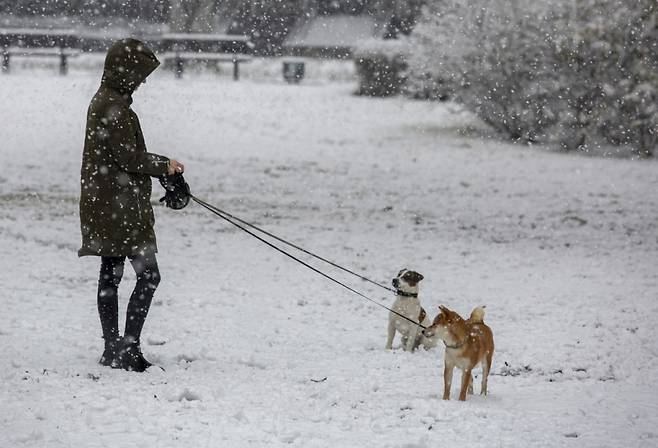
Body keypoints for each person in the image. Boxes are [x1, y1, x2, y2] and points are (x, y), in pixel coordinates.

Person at [78, 38, 185, 372]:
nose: (141, 81)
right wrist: (165, 165)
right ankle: (128, 348)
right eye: (139, 74)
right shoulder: (115, 108)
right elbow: (127, 157)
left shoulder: (106, 101)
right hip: (121, 209)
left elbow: (119, 157)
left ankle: (113, 349)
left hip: (105, 202)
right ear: (124, 72)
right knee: (148, 276)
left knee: (111, 274)